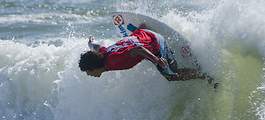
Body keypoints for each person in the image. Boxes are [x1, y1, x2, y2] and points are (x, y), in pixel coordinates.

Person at [78, 29, 209, 81]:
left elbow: (138, 49)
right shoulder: (103, 53)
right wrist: (91, 44)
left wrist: (156, 59)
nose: (88, 74)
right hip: (142, 32)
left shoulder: (113, 62)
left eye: (87, 71)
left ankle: (203, 75)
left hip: (156, 42)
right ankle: (143, 26)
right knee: (134, 38)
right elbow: (96, 47)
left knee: (171, 76)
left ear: (94, 67)